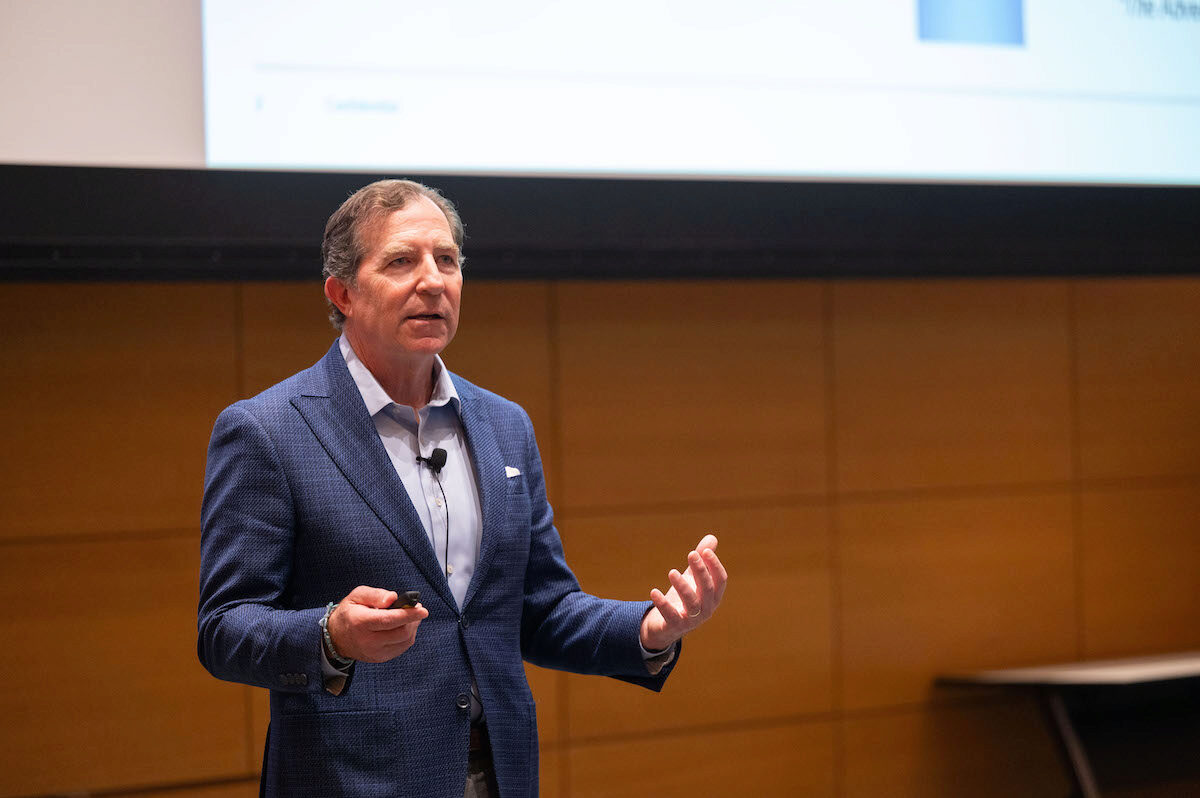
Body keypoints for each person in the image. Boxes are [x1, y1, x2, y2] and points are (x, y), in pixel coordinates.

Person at [198, 179, 727, 798]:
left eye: (446, 260)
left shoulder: (504, 425)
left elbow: (540, 608)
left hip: (499, 774)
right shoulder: (269, 430)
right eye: (401, 260)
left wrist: (649, 631)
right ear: (341, 293)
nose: (433, 280)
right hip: (354, 778)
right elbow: (225, 629)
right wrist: (329, 637)